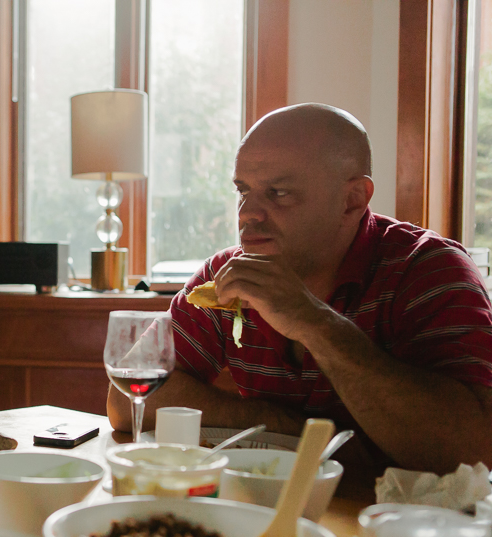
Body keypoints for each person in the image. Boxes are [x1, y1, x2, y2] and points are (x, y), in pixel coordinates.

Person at [108, 103, 492, 478]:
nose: (247, 213)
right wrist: (278, 424)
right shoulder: (227, 274)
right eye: (243, 190)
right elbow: (127, 402)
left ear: (352, 199)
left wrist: (314, 322)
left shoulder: (428, 271)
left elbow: (474, 453)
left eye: (278, 193)